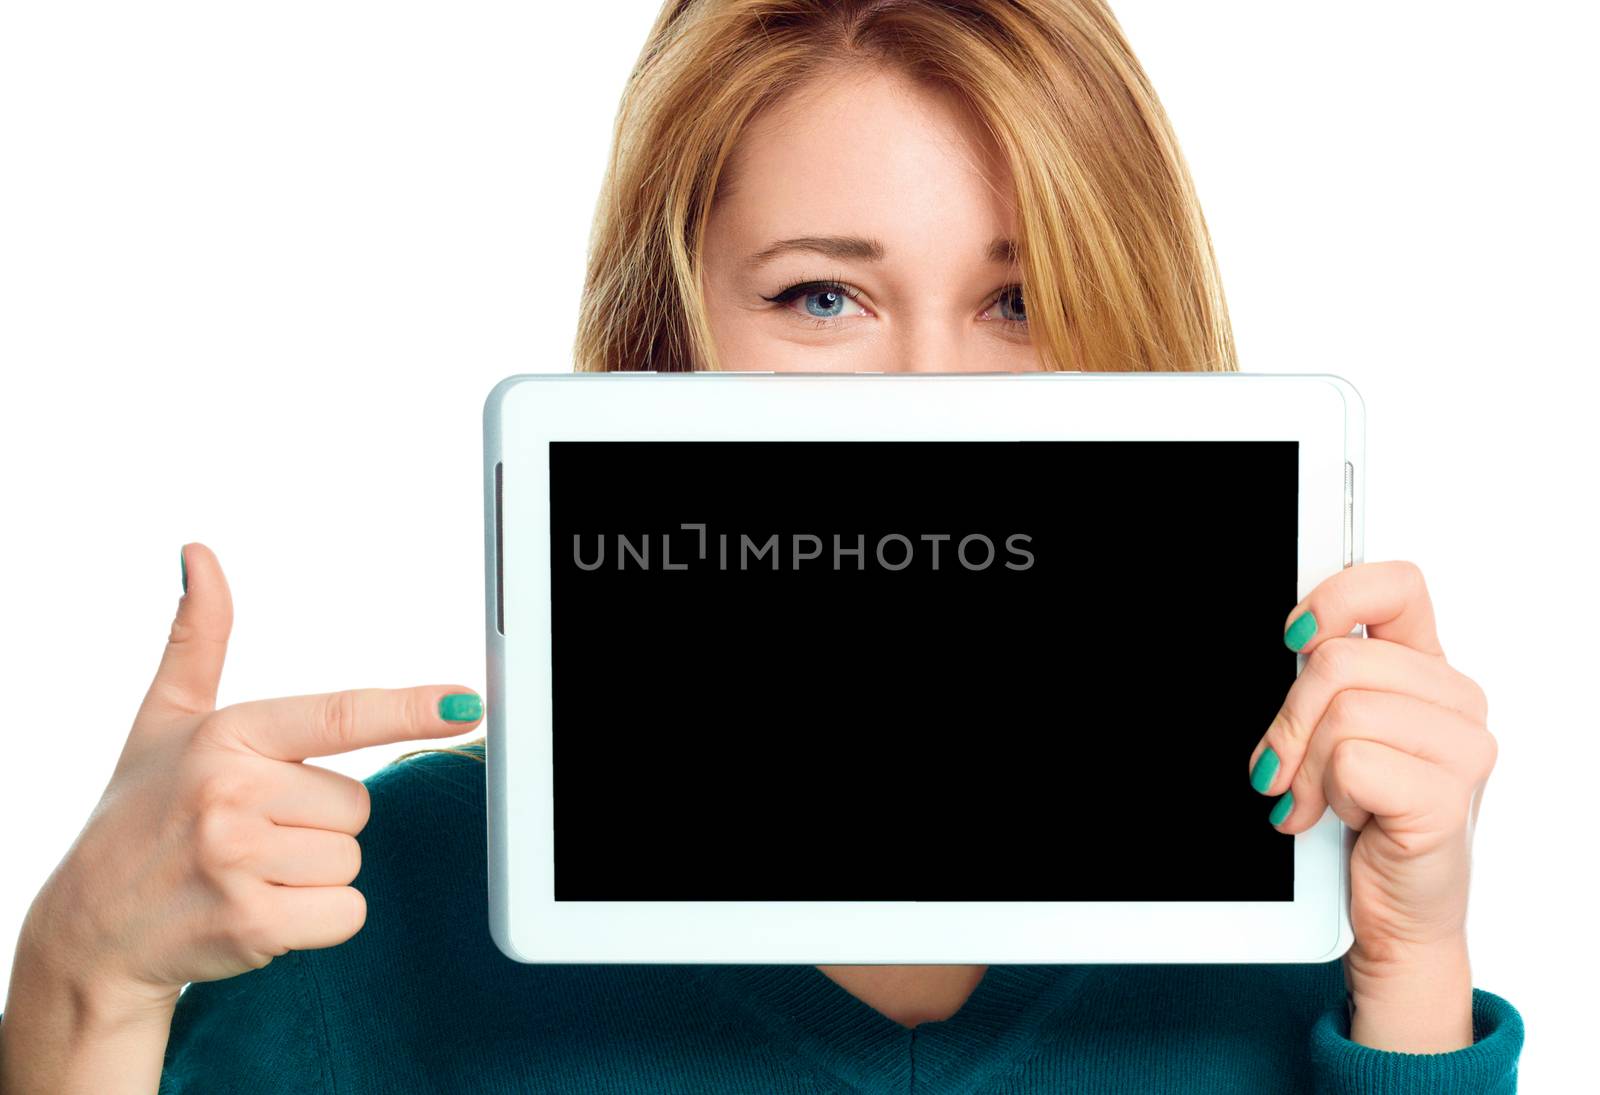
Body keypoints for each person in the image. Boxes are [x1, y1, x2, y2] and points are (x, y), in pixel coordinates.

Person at [0, 2, 1524, 1092]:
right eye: (819, 298)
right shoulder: (361, 906)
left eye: (1019, 297)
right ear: (667, 346)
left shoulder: (1302, 898)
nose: (932, 397)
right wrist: (82, 981)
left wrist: (1406, 970)